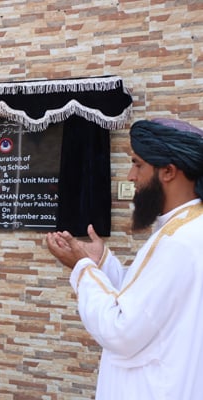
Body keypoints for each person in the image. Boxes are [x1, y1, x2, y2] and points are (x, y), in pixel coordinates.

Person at [45, 118, 203, 400]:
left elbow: (121, 330)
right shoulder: (188, 228)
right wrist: (103, 262)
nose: (131, 176)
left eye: (138, 164)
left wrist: (82, 268)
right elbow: (149, 305)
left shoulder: (178, 242)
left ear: (168, 171)